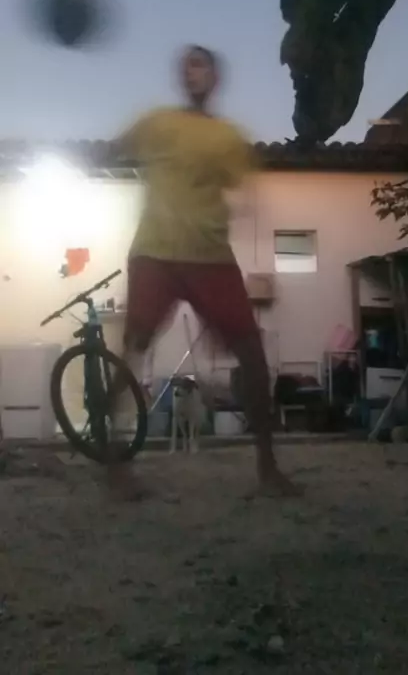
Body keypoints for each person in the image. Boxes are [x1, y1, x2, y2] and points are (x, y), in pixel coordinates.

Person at [110, 45, 296, 498]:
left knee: (252, 355)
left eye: (199, 64)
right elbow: (116, 148)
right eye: (185, 65)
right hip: (155, 252)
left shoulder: (228, 137)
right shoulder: (157, 122)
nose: (190, 71)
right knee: (134, 348)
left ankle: (268, 468)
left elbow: (245, 191)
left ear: (215, 77)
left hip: (210, 257)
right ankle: (115, 463)